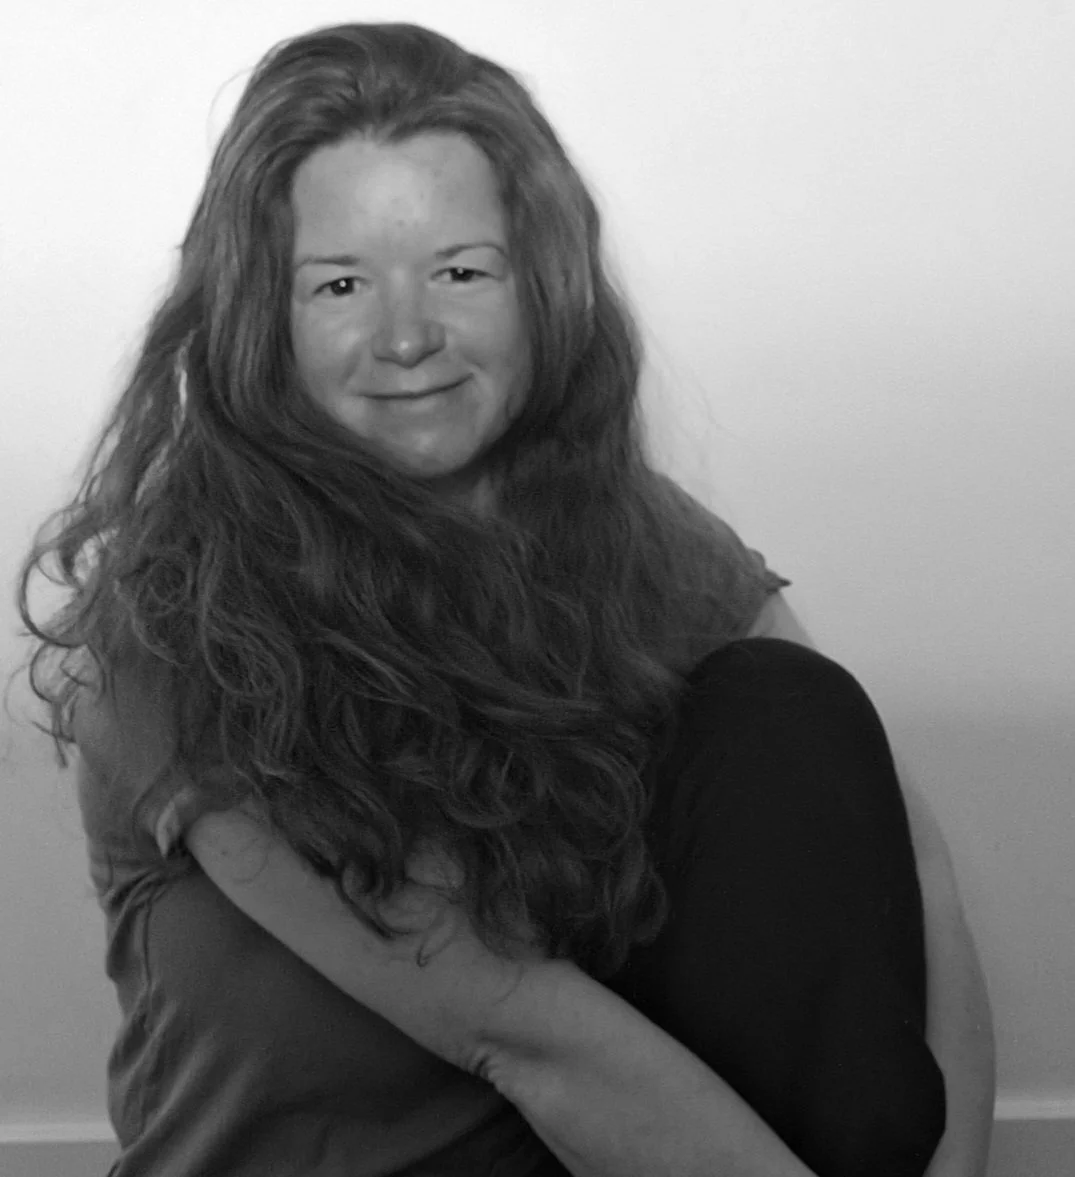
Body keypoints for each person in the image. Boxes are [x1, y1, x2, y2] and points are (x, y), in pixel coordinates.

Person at [17, 22, 993, 1177]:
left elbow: (908, 872)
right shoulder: (183, 619)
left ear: (541, 284)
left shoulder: (630, 532)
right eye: (338, 283)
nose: (408, 335)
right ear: (258, 322)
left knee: (787, 711)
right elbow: (514, 1027)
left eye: (461, 269)